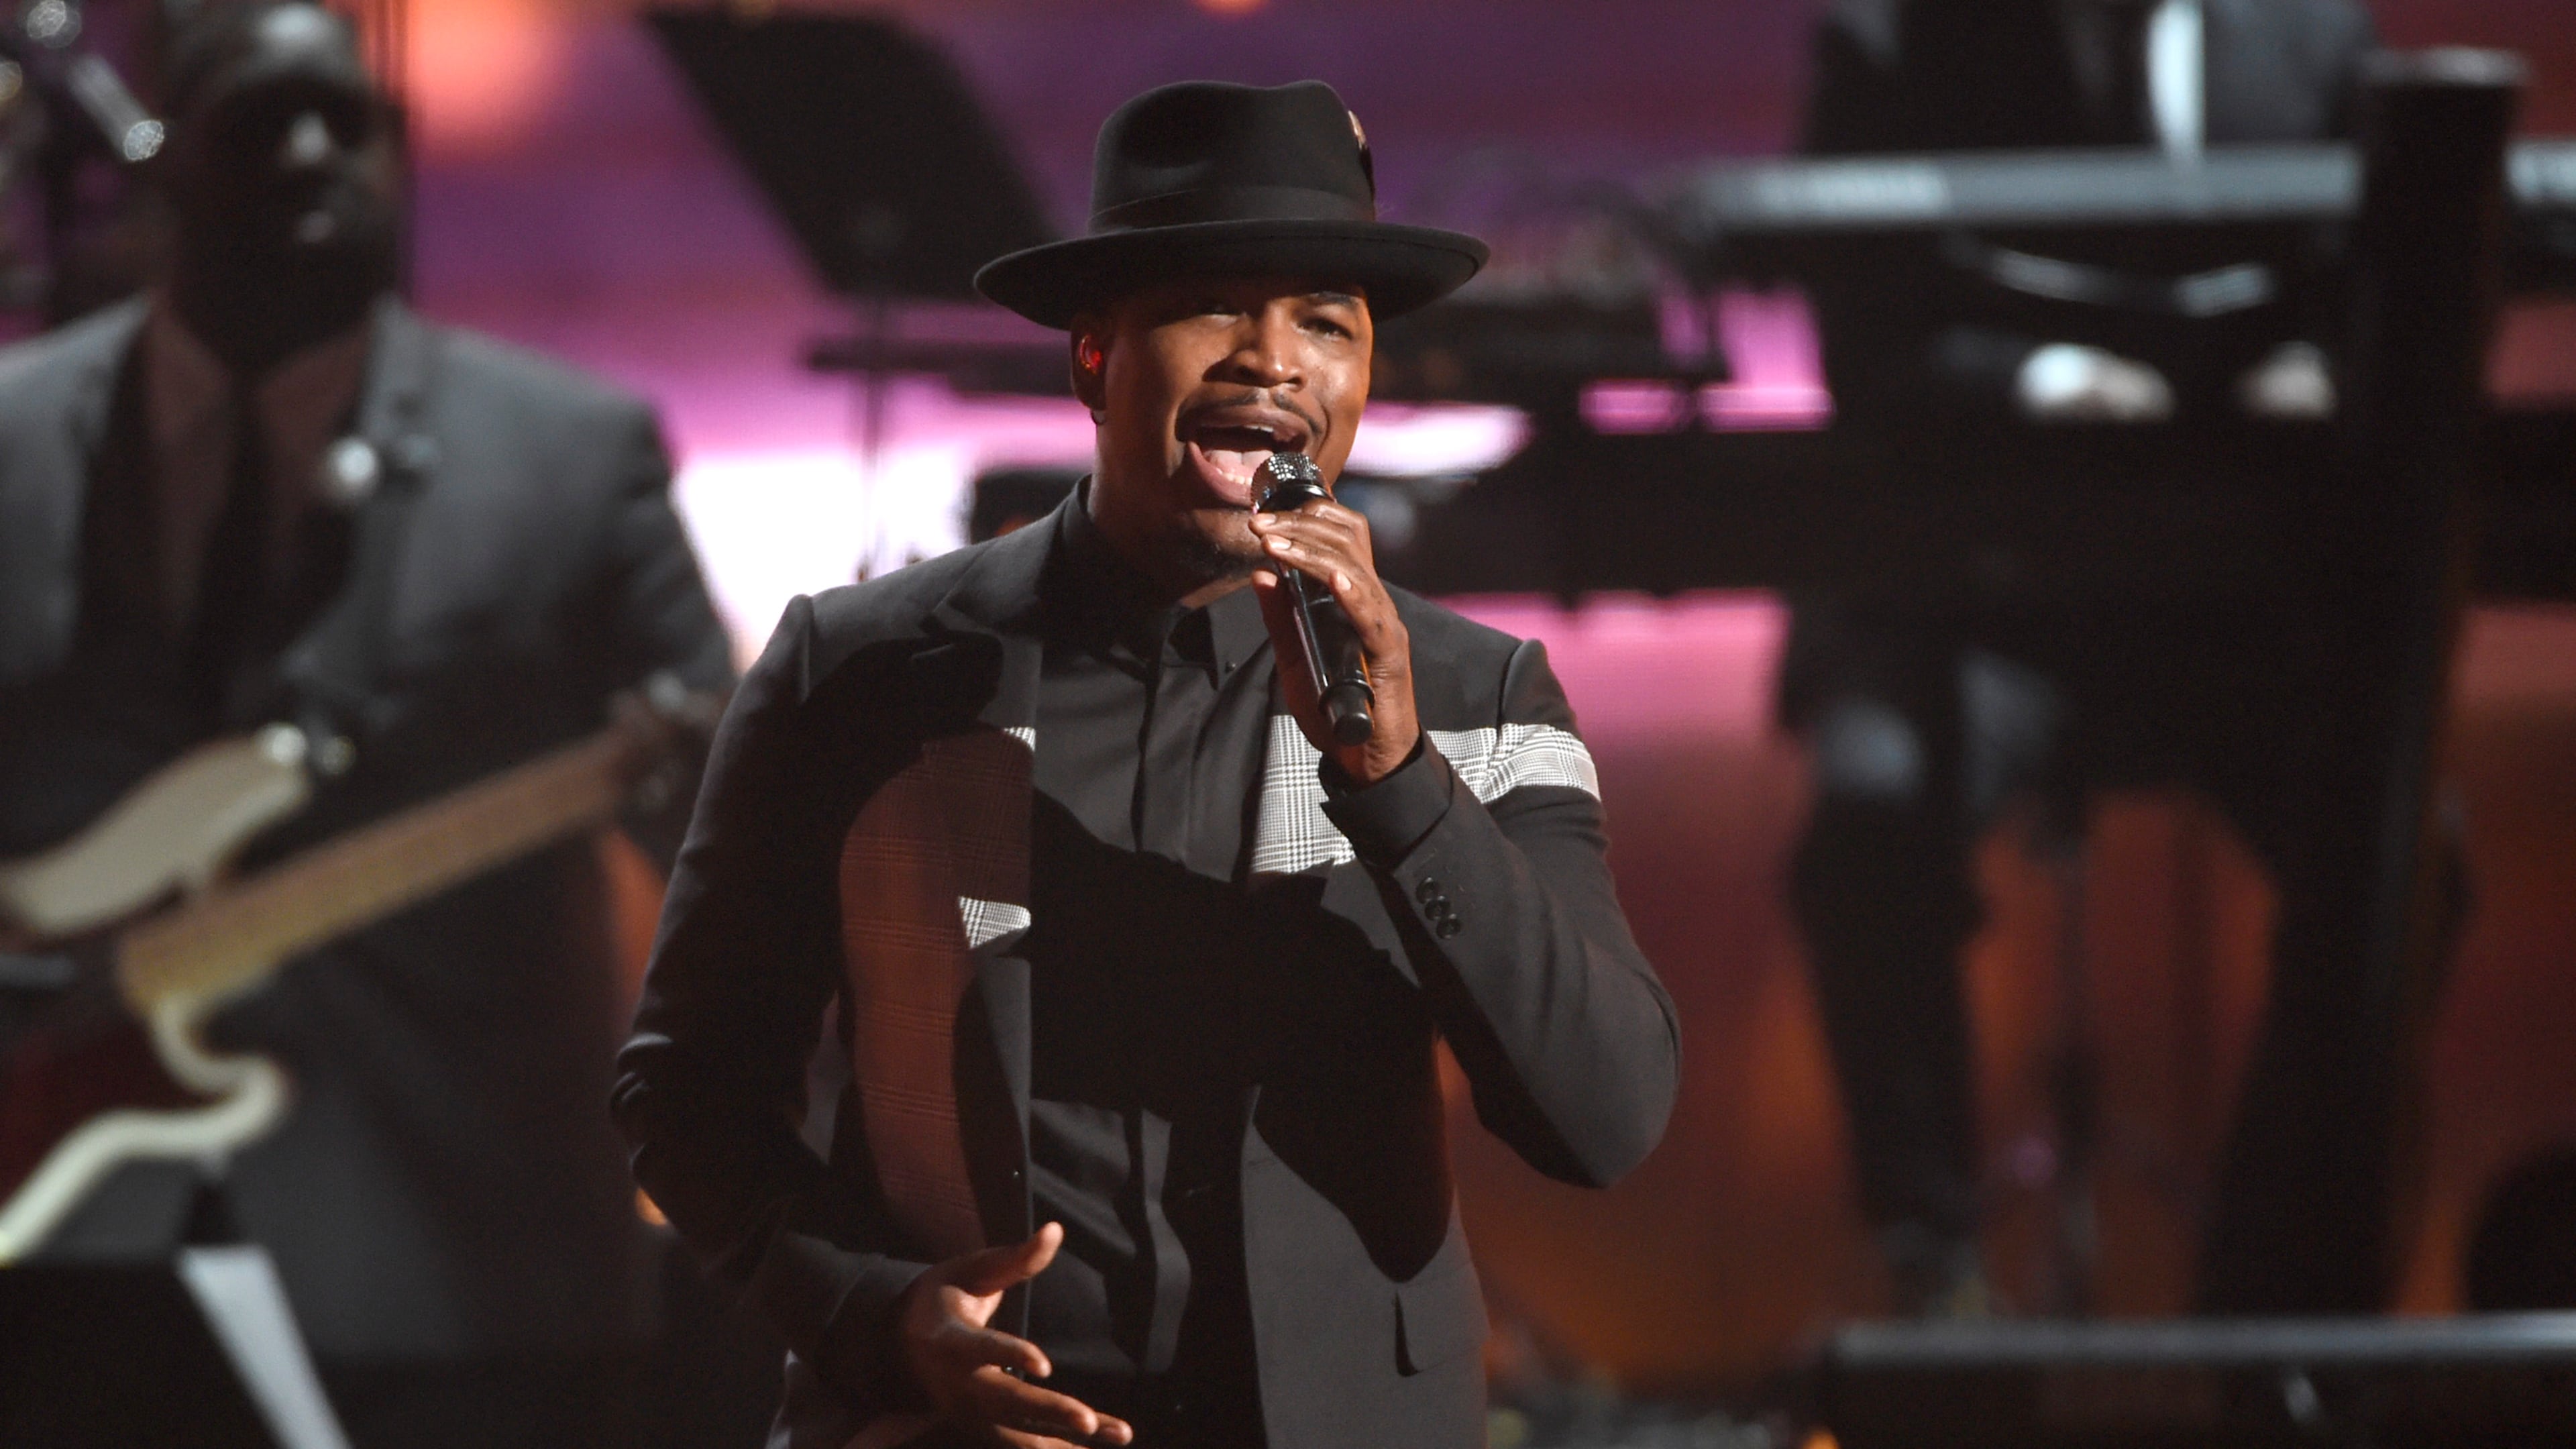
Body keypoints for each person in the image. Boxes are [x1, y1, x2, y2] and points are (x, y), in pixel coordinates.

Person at [614, 80, 1678, 1449]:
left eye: (1324, 323)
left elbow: (1603, 1119)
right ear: (1094, 355)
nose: (1272, 361)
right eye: (1212, 305)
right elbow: (687, 1093)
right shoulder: (862, 670)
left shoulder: (1475, 694)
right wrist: (877, 1316)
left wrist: (1400, 781)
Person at [0, 4, 733, 1444]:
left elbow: (723, 813)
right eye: (262, 121)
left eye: (352, 121)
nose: (316, 154)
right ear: (162, 166)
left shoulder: (569, 456)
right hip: (57, 1252)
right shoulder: (11, 444)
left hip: (455, 1254)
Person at [1780, 0, 2391, 1317]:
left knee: (2404, 856)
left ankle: (2273, 1295)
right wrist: (2041, 379)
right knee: (1869, 825)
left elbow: (2376, 283)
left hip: (2226, 609)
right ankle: (1932, 1271)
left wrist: (2313, 367)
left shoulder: (2314, 34)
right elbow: (1862, 333)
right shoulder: (1897, 37)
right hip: (1976, 604)